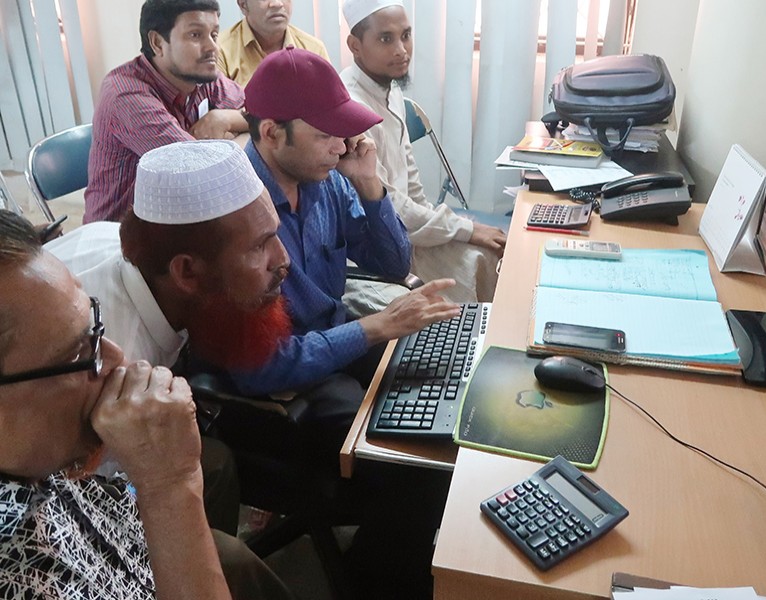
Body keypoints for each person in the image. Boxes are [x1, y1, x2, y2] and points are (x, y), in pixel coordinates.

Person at [0, 210, 292, 600]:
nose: (117, 358)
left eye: (94, 325)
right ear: (186, 271)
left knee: (232, 556)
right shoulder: (23, 572)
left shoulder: (31, 458)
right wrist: (169, 486)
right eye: (76, 354)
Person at [47, 139, 292, 536]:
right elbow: (75, 504)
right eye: (258, 247)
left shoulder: (117, 244)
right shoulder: (106, 363)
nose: (283, 260)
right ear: (187, 272)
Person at [234, 47, 460, 422]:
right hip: (285, 375)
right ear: (272, 133)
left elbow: (394, 265)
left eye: (341, 133)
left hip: (334, 337)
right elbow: (262, 365)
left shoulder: (329, 181)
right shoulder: (236, 213)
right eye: (325, 134)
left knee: (439, 366)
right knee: (368, 421)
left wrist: (369, 183)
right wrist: (373, 326)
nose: (341, 147)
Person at [340, 0, 507, 308]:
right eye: (386, 39)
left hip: (410, 232)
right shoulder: (352, 107)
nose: (401, 50)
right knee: (479, 257)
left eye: (406, 35)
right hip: (378, 250)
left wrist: (454, 228)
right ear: (355, 45)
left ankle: (486, 331)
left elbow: (413, 188)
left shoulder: (390, 89)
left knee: (492, 254)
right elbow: (389, 204)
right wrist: (466, 229)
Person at [84, 0, 247, 223]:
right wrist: (239, 139)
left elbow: (265, 114)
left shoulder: (202, 76)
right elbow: (200, 174)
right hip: (120, 235)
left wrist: (225, 118)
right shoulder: (125, 95)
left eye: (214, 35)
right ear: (158, 43)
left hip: (180, 219)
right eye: (195, 35)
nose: (213, 48)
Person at [217, 0, 329, 86]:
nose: (277, 3)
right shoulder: (219, 50)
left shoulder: (314, 49)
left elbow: (330, 104)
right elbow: (220, 106)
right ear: (243, 5)